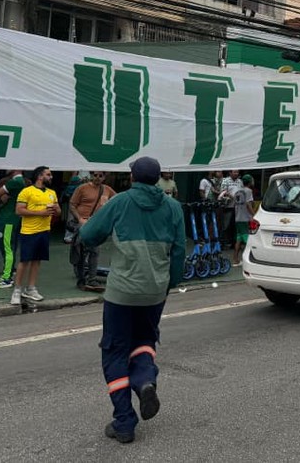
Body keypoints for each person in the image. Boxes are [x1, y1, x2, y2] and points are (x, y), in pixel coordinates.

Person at [80, 156, 185, 444]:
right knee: (144, 343)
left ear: (132, 178)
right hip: (155, 292)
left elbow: (88, 235)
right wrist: (168, 284)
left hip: (122, 293)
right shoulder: (174, 207)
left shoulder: (120, 202)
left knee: (115, 351)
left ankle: (124, 421)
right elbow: (179, 252)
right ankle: (144, 381)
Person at [11, 166, 60, 306]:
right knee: (24, 261)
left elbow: (58, 211)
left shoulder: (52, 193)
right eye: (48, 174)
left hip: (45, 230)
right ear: (40, 176)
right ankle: (17, 290)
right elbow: (19, 210)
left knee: (37, 260)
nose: (51, 177)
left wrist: (56, 210)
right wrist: (40, 213)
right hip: (29, 231)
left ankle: (31, 288)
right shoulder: (27, 192)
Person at [69, 171, 116, 291]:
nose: (97, 178)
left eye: (100, 176)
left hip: (97, 225)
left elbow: (116, 202)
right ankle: (81, 277)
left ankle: (92, 279)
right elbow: (72, 205)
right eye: (95, 175)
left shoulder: (107, 190)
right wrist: (79, 219)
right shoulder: (82, 188)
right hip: (83, 223)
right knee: (80, 252)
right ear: (91, 176)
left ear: (104, 177)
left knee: (94, 251)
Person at [0, 170, 25, 289]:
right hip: (10, 220)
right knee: (8, 247)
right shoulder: (18, 182)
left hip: (8, 220)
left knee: (7, 248)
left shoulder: (15, 182)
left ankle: (7, 278)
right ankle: (7, 276)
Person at [232, 174, 257, 266]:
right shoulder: (249, 191)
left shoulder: (238, 191)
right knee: (247, 240)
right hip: (245, 218)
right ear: (250, 182)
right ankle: (249, 259)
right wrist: (254, 215)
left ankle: (235, 259)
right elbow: (248, 204)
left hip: (238, 218)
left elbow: (235, 203)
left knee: (238, 239)